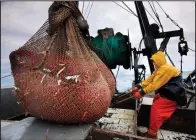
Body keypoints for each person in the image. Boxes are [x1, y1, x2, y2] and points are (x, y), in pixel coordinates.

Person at [129, 50, 187, 138]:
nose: (153, 64)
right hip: (168, 92)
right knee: (156, 99)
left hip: (172, 96)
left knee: (156, 110)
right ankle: (153, 127)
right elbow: (150, 79)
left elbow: (154, 85)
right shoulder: (160, 68)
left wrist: (141, 93)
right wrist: (138, 86)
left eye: (154, 62)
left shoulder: (165, 69)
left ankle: (151, 134)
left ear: (159, 61)